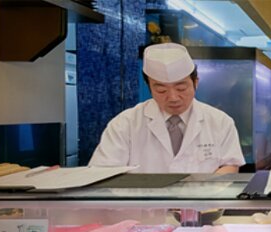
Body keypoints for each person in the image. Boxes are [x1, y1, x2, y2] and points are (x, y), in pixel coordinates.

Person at [90, 43, 245, 174]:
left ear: (195, 83)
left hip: (201, 207)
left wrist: (206, 198)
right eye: (161, 90)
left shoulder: (220, 121)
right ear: (149, 87)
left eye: (181, 88)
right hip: (144, 208)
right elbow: (103, 172)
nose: (173, 97)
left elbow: (230, 165)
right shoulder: (125, 124)